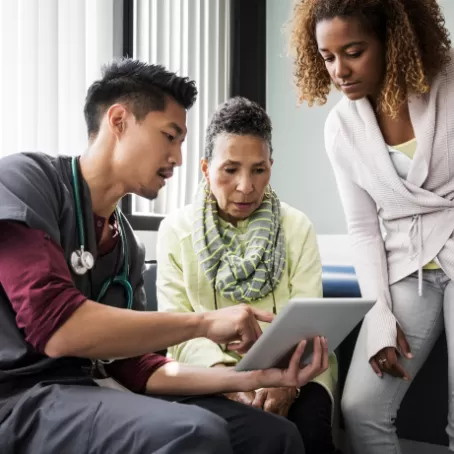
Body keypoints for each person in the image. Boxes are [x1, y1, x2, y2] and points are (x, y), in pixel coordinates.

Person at [0, 59, 331, 454]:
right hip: (21, 397)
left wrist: (254, 377)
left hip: (92, 390)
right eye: (169, 136)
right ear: (119, 121)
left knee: (274, 436)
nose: (177, 157)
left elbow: (138, 367)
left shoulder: (125, 245)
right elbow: (57, 330)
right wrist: (205, 323)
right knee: (194, 433)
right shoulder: (25, 181)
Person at [289, 0, 454, 453]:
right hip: (406, 265)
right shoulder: (341, 127)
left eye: (354, 51)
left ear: (392, 41)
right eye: (327, 57)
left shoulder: (449, 85)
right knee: (360, 408)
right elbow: (362, 228)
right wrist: (380, 314)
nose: (339, 70)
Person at [157, 96, 340, 454]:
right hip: (209, 374)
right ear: (206, 168)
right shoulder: (175, 231)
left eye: (259, 170)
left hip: (299, 371)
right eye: (230, 170)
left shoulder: (296, 226)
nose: (246, 186)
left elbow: (310, 323)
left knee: (310, 435)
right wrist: (228, 379)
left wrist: (286, 382)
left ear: (271, 166)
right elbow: (177, 331)